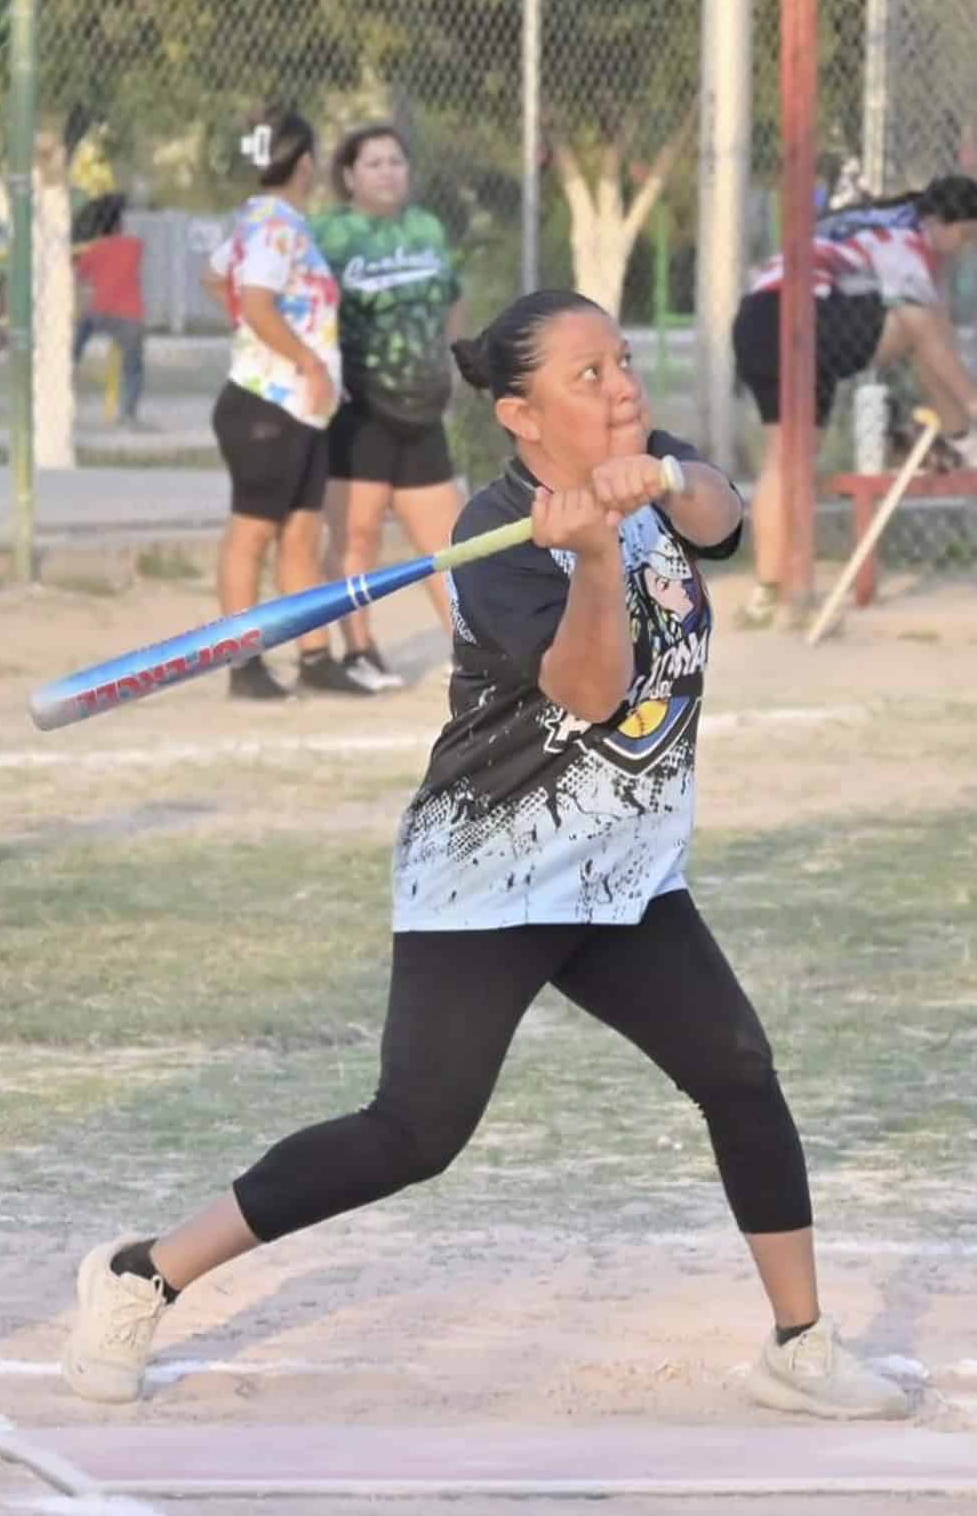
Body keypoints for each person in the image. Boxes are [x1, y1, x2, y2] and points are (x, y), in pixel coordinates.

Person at [60, 292, 910, 1424]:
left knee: (739, 1072)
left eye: (621, 358)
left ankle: (801, 1343)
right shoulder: (491, 540)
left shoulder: (649, 457)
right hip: (493, 871)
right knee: (416, 1131)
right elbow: (590, 690)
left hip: (625, 873)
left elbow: (723, 513)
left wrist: (654, 481)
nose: (623, 385)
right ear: (518, 412)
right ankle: (143, 1271)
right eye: (586, 375)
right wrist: (597, 555)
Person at [733, 174, 977, 628]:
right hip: (799, 315)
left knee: (789, 458)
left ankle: (767, 593)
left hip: (756, 321)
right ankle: (962, 434)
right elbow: (924, 327)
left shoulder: (872, 218)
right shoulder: (906, 238)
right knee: (921, 325)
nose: (961, 248)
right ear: (937, 222)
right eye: (962, 236)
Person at [200, 108, 356, 700]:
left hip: (299, 409)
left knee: (300, 536)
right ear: (307, 163)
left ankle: (313, 655)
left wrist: (253, 328)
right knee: (253, 534)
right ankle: (244, 664)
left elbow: (216, 278)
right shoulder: (275, 227)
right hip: (268, 403)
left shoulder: (264, 219)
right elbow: (259, 303)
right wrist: (307, 362)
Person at [313, 124, 469, 690]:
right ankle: (360, 651)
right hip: (361, 408)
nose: (387, 172)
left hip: (422, 410)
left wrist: (450, 364)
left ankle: (471, 652)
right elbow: (302, 304)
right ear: (349, 176)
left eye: (396, 162)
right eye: (373, 163)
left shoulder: (425, 228)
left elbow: (453, 298)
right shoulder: (330, 234)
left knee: (449, 543)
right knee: (356, 537)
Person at [71, 194, 148, 429]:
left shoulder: (94, 250)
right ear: (120, 226)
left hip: (99, 311)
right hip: (128, 315)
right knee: (133, 366)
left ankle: (71, 364)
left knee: (77, 340)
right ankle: (128, 415)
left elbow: (80, 276)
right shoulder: (134, 246)